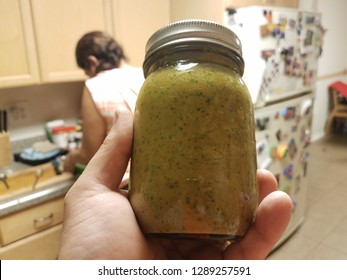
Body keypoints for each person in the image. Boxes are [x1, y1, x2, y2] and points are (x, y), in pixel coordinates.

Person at [58, 105, 293, 260]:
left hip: (139, 205)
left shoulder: (103, 88)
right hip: (138, 219)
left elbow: (88, 149)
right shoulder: (142, 82)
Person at [63, 31, 144, 188]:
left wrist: (72, 158)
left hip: (125, 186)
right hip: (154, 176)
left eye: (86, 72)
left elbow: (90, 154)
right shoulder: (146, 75)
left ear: (92, 62)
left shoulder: (95, 86)